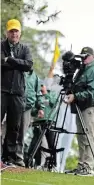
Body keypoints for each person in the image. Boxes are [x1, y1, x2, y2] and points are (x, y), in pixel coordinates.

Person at [64, 47, 94, 176]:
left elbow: (92, 93)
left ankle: (88, 166)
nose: (84, 58)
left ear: (93, 56)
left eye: (86, 55)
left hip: (90, 108)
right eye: (82, 56)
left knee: (89, 137)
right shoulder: (82, 70)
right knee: (81, 137)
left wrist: (75, 96)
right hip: (80, 107)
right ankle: (81, 165)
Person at [1, 19, 33, 166]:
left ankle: (9, 158)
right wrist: (17, 63)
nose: (14, 33)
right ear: (6, 32)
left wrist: (11, 60)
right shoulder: (1, 46)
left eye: (16, 31)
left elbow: (29, 65)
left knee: (14, 127)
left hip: (18, 93)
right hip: (2, 91)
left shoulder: (25, 49)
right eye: (11, 31)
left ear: (20, 33)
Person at [27, 84, 59, 169]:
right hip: (38, 122)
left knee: (51, 143)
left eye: (43, 85)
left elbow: (54, 104)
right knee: (36, 142)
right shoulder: (37, 95)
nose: (41, 87)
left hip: (50, 121)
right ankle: (34, 162)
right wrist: (37, 111)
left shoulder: (52, 93)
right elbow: (32, 110)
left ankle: (54, 163)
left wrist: (45, 93)